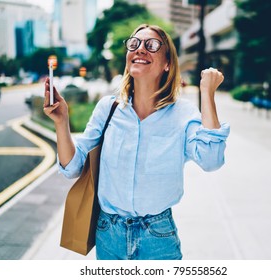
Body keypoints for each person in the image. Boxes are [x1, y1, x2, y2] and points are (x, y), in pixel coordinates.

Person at [43, 24, 230, 260]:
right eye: (134, 44)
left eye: (151, 45)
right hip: (109, 234)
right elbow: (72, 168)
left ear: (167, 63)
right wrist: (62, 122)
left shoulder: (183, 114)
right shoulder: (108, 108)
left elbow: (211, 160)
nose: (140, 49)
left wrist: (207, 93)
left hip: (158, 236)